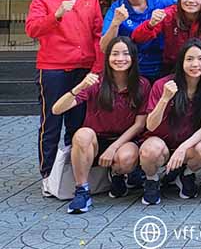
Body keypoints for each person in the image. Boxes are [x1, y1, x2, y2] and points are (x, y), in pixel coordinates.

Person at [28, 0, 104, 181]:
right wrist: (57, 14)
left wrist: (97, 68)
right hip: (53, 68)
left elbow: (98, 34)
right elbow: (32, 29)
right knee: (51, 122)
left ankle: (73, 174)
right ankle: (48, 174)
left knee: (78, 123)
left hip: (84, 69)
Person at [52, 37, 149, 213]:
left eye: (126, 54)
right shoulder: (96, 82)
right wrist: (79, 87)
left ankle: (118, 175)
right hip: (96, 140)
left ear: (134, 58)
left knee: (126, 158)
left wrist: (113, 148)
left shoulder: (142, 85)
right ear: (107, 58)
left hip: (124, 141)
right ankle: (82, 190)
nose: (120, 59)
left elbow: (139, 124)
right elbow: (57, 110)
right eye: (115, 54)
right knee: (82, 135)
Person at [139, 39, 201, 205]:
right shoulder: (163, 85)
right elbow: (150, 125)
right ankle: (152, 179)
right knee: (150, 150)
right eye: (189, 59)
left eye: (200, 59)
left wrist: (183, 148)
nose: (195, 64)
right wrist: (165, 99)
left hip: (188, 144)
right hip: (160, 142)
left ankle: (186, 174)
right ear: (181, 62)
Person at [131, 0, 201, 80]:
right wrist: (150, 24)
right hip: (173, 69)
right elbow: (136, 38)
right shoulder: (169, 14)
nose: (191, 0)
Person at [100, 0, 173, 79]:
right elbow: (104, 47)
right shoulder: (116, 8)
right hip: (130, 70)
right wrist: (115, 23)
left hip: (162, 67)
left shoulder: (162, 2)